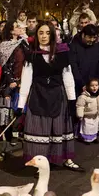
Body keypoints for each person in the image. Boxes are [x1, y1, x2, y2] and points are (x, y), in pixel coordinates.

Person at [18, 21, 81, 171]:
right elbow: (26, 80)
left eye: (47, 33)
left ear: (52, 35)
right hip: (38, 95)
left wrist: (72, 101)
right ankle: (40, 164)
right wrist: (20, 105)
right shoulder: (32, 55)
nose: (44, 36)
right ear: (36, 35)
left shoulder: (61, 53)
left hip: (57, 95)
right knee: (39, 129)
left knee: (59, 128)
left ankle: (66, 159)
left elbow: (68, 77)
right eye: (41, 33)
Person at [69, 25, 99, 96]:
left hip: (94, 86)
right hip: (78, 86)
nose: (92, 40)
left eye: (94, 37)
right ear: (83, 35)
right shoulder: (74, 46)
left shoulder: (96, 47)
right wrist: (82, 84)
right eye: (89, 37)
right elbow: (74, 67)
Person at [76, 78, 99, 143]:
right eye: (92, 86)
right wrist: (80, 114)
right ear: (88, 86)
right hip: (87, 114)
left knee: (95, 127)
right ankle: (85, 139)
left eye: (96, 85)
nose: (94, 87)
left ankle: (94, 138)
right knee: (86, 128)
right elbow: (80, 106)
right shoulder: (84, 96)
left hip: (96, 114)